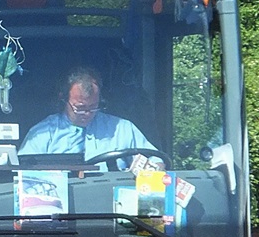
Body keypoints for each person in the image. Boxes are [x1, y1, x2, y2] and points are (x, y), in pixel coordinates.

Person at [18, 66, 157, 170]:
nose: (88, 113)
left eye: (93, 106)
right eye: (80, 108)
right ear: (63, 99)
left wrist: (150, 168)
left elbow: (157, 160)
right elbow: (22, 172)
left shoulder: (122, 128)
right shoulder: (42, 133)